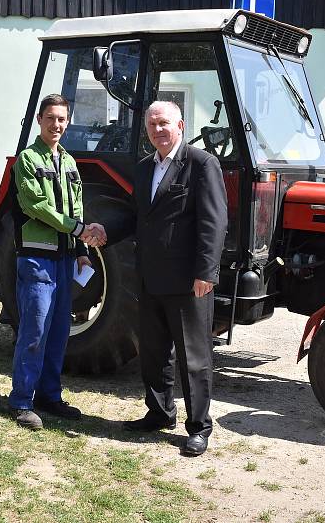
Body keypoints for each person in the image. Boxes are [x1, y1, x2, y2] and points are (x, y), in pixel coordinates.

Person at [105, 101, 227, 456]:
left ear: (180, 125)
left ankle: (199, 427)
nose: (158, 130)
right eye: (152, 124)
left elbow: (213, 222)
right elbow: (134, 217)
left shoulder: (202, 164)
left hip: (188, 281)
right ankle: (159, 413)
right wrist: (103, 230)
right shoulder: (145, 168)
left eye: (164, 123)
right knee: (154, 352)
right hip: (150, 278)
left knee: (194, 357)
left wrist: (206, 272)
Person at [8, 93, 104, 430]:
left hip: (65, 259)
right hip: (37, 259)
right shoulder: (27, 160)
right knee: (35, 331)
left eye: (62, 119)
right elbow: (37, 207)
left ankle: (50, 396)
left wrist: (82, 249)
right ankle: (22, 401)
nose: (57, 125)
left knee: (59, 332)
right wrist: (78, 229)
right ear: (39, 120)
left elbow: (76, 206)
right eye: (51, 118)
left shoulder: (69, 162)